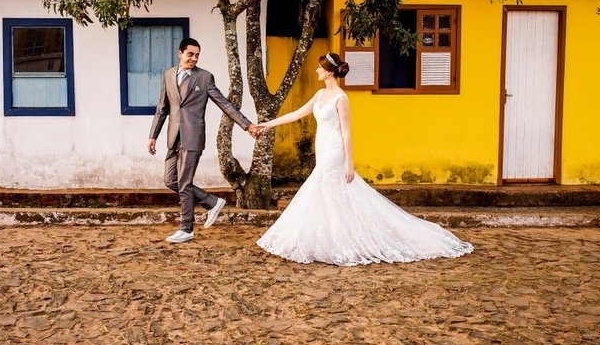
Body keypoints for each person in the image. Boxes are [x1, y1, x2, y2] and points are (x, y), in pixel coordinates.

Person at [254, 52, 473, 265]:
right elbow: (296, 114)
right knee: (329, 193)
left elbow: (346, 133)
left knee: (323, 189)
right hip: (322, 148)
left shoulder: (341, 99)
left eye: (320, 67)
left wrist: (349, 163)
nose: (316, 70)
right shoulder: (320, 95)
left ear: (329, 72)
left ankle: (338, 241)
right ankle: (329, 239)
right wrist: (267, 125)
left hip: (334, 151)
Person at [148, 38, 261, 243]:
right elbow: (162, 108)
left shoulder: (204, 77)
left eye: (197, 55)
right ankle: (212, 201)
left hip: (193, 137)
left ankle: (186, 228)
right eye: (190, 54)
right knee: (170, 180)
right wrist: (153, 135)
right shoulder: (168, 75)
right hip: (174, 137)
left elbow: (224, 104)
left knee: (184, 183)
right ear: (180, 53)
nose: (194, 58)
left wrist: (247, 125)